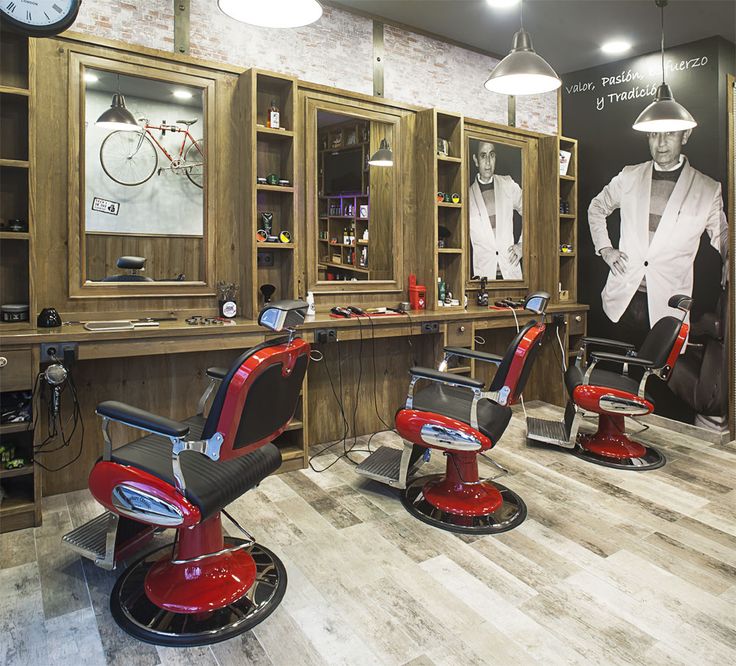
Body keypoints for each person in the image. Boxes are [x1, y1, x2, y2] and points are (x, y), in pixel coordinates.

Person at [588, 129, 728, 346]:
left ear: (685, 136)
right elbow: (597, 207)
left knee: (654, 378)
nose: (661, 143)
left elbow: (723, 234)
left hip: (667, 306)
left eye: (670, 134)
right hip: (621, 300)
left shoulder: (707, 189)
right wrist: (605, 248)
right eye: (654, 135)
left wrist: (730, 258)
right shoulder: (629, 176)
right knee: (615, 373)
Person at [468, 140, 523, 280]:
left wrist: (523, 244)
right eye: (483, 155)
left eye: (491, 155)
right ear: (475, 160)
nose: (487, 162)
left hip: (510, 272)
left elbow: (532, 211)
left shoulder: (508, 184)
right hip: (484, 275)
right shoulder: (467, 195)